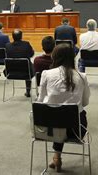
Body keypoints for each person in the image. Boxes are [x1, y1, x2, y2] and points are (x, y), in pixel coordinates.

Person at [37, 44, 90, 173]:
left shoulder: (46, 74)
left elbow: (40, 101)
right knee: (68, 116)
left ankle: (56, 156)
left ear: (54, 57)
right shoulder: (82, 76)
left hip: (48, 129)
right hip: (76, 130)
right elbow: (85, 102)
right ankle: (56, 156)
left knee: (57, 117)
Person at [5, 29, 35, 97]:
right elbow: (31, 54)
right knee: (30, 66)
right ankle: (28, 91)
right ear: (21, 36)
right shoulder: (26, 44)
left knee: (27, 65)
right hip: (26, 71)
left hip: (11, 71)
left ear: (12, 37)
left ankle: (27, 91)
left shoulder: (7, 46)